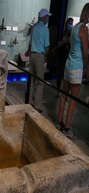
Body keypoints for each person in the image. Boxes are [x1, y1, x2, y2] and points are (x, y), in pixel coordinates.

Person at [57, 3, 89, 139]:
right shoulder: (84, 29)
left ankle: (59, 123)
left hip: (69, 65)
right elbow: (85, 52)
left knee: (64, 95)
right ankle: (67, 128)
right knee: (73, 99)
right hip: (77, 66)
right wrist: (87, 67)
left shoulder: (75, 27)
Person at [25, 8, 52, 113]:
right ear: (44, 17)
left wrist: (28, 52)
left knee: (31, 80)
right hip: (40, 56)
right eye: (47, 17)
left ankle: (29, 102)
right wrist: (46, 57)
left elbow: (30, 43)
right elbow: (47, 47)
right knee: (40, 82)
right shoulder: (46, 30)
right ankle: (36, 105)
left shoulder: (34, 28)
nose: (48, 19)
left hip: (32, 55)